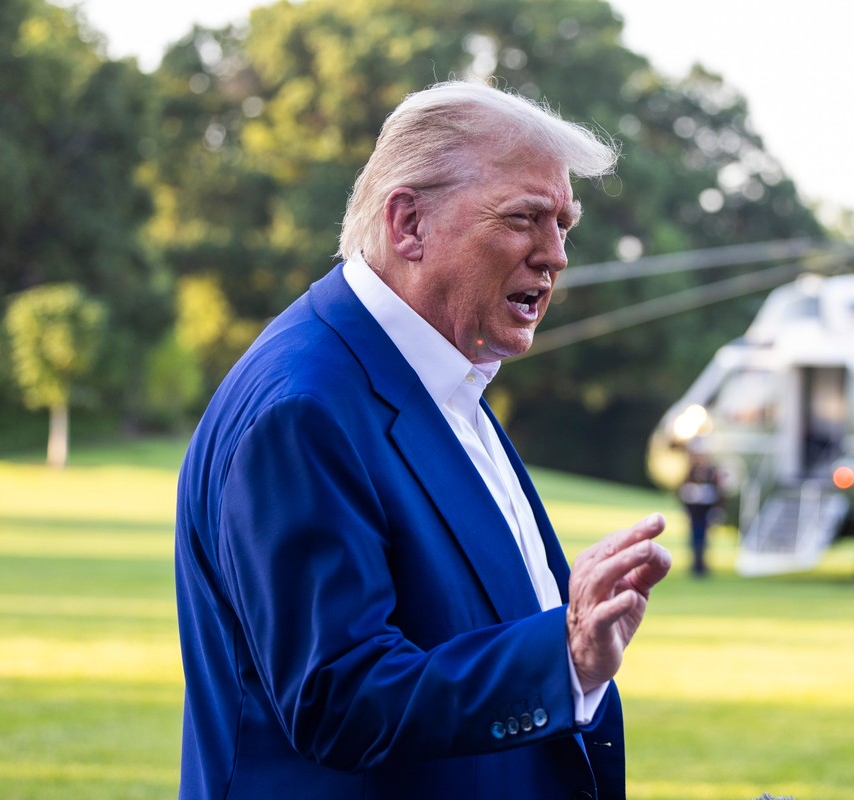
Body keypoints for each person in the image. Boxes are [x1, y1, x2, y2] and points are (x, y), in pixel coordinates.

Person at [174, 80, 673, 800]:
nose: (556, 255)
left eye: (565, 224)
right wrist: (562, 655)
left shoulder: (443, 376)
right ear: (409, 223)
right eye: (527, 218)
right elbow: (337, 702)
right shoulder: (303, 408)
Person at [678, 445, 725, 576]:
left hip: (706, 511)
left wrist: (717, 509)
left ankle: (702, 566)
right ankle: (695, 565)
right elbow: (682, 491)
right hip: (694, 511)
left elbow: (719, 492)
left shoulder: (712, 472)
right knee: (694, 539)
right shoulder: (690, 472)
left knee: (704, 539)